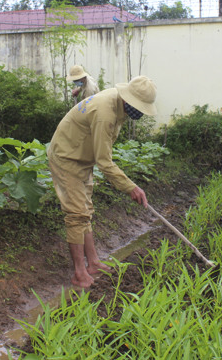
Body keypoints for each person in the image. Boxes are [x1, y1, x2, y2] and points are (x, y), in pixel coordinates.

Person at [48, 75, 157, 287]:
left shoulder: (119, 105)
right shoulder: (105, 113)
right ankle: (80, 273)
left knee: (85, 210)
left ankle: (94, 263)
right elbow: (104, 162)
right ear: (129, 99)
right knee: (77, 214)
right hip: (67, 157)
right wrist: (130, 187)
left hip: (81, 157)